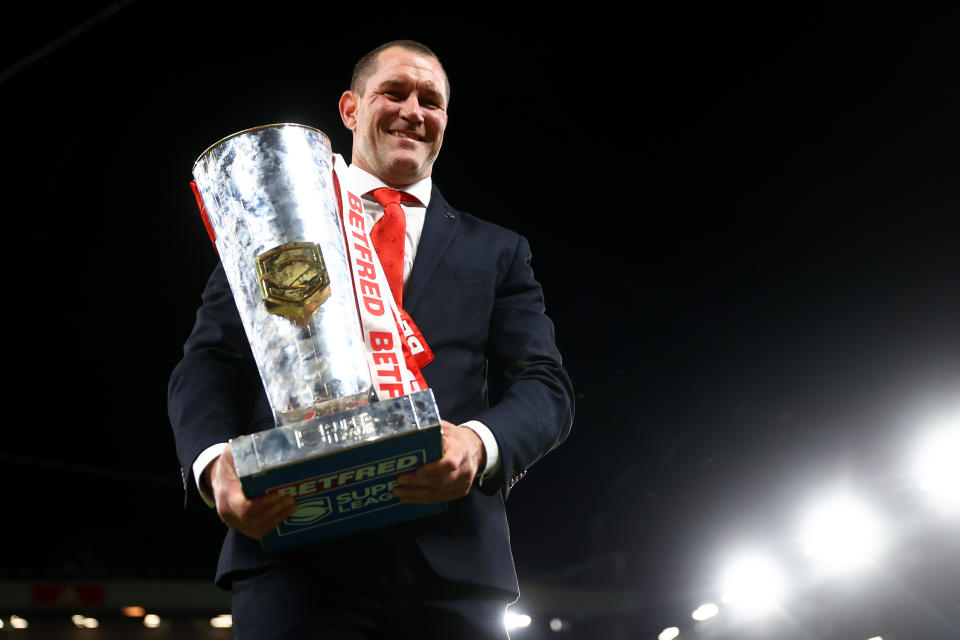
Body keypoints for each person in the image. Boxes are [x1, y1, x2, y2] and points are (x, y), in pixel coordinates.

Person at [168, 39, 574, 639]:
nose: (414, 109)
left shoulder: (497, 251)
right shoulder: (274, 223)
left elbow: (547, 386)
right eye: (395, 92)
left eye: (431, 100)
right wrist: (212, 467)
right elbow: (207, 364)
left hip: (451, 569)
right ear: (351, 108)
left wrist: (476, 443)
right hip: (293, 556)